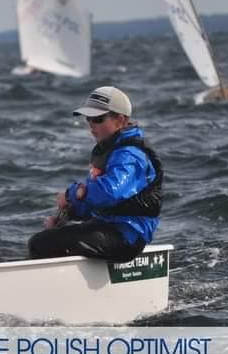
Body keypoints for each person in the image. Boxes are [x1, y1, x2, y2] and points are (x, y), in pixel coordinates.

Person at [28, 86, 162, 263]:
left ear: (121, 120)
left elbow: (108, 193)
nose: (91, 124)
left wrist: (72, 194)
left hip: (126, 237)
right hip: (110, 227)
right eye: (88, 118)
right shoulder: (109, 150)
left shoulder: (130, 155)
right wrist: (67, 216)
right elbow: (96, 202)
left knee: (40, 244)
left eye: (98, 119)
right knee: (46, 238)